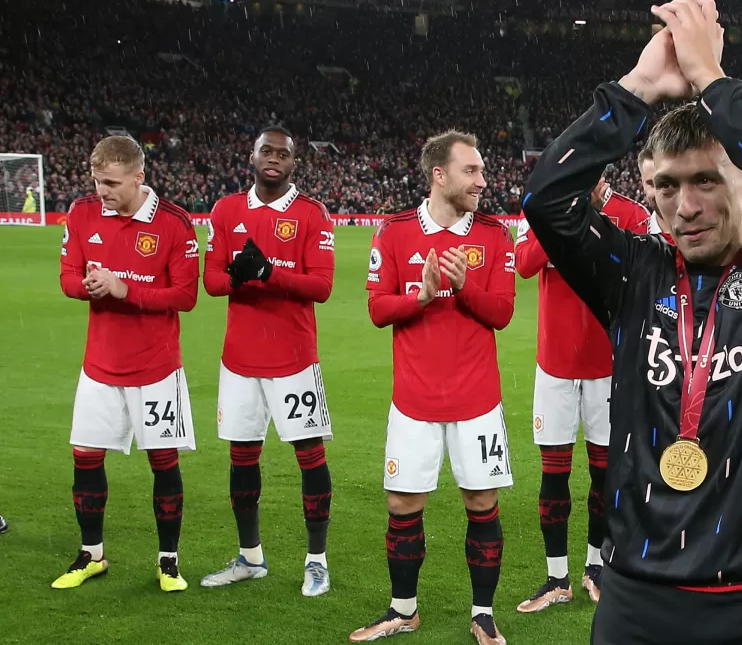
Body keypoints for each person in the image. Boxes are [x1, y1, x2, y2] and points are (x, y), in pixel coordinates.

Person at [522, 0, 742, 645]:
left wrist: (716, 83)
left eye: (705, 181)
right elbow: (546, 200)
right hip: (636, 595)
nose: (684, 205)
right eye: (666, 185)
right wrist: (636, 90)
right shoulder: (632, 273)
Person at [354, 130, 516, 645]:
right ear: (439, 175)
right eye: (471, 171)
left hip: (477, 402)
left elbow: (504, 313)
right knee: (402, 507)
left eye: (482, 171)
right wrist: (421, 296)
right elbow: (379, 309)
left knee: (481, 503)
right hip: (414, 403)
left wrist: (465, 288)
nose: (482, 182)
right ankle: (404, 610)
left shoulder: (494, 236)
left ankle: (484, 614)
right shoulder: (395, 233)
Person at [55, 136, 199, 591]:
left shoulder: (175, 224)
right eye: (98, 181)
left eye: (113, 183)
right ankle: (91, 554)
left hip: (156, 368)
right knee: (86, 458)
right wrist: (91, 286)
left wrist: (125, 291)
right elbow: (67, 279)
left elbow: (186, 296)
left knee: (163, 461)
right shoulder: (81, 214)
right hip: (99, 365)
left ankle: (168, 561)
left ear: (140, 176)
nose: (103, 191)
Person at [200, 126, 336, 597]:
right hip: (239, 359)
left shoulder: (311, 213)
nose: (274, 158)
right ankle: (250, 558)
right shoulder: (226, 209)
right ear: (252, 156)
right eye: (266, 150)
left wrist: (270, 274)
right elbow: (211, 282)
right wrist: (241, 276)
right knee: (242, 458)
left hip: (294, 358)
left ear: (294, 163)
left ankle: (316, 561)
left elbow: (321, 286)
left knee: (309, 457)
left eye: (284, 153)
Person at [514, 170, 649, 612]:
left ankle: (596, 567)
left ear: (604, 170)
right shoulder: (540, 210)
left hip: (609, 365)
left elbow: (639, 277)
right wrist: (563, 219)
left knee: (604, 475)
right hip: (554, 365)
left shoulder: (630, 215)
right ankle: (556, 578)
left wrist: (590, 225)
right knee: (553, 473)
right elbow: (524, 264)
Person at [637, 147, 672, 243]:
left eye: (666, 184)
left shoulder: (707, 234)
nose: (658, 193)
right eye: (651, 184)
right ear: (643, 185)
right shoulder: (635, 240)